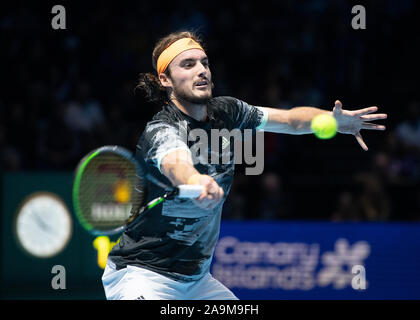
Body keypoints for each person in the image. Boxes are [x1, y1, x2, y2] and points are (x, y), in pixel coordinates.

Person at [102, 31, 387, 300]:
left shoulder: (228, 111)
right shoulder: (161, 130)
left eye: (204, 63)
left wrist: (335, 120)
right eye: (188, 65)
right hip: (142, 276)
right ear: (165, 80)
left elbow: (289, 120)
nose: (201, 70)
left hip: (196, 281)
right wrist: (196, 181)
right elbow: (177, 162)